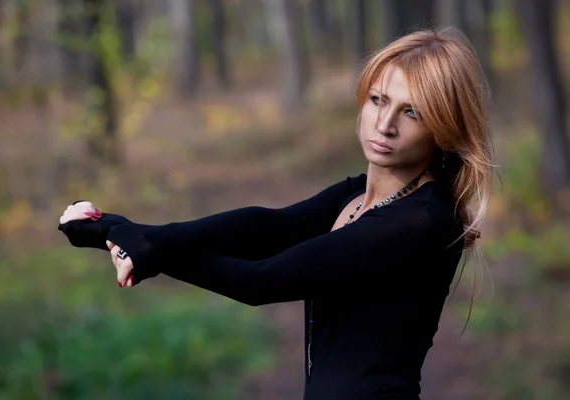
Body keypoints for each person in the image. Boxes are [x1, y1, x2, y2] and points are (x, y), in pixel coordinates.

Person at [58, 27, 494, 400]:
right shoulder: (357, 196)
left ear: (443, 128)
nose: (384, 124)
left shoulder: (420, 221)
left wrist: (135, 242)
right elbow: (264, 227)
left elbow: (261, 280)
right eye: (379, 99)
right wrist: (128, 231)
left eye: (411, 111)